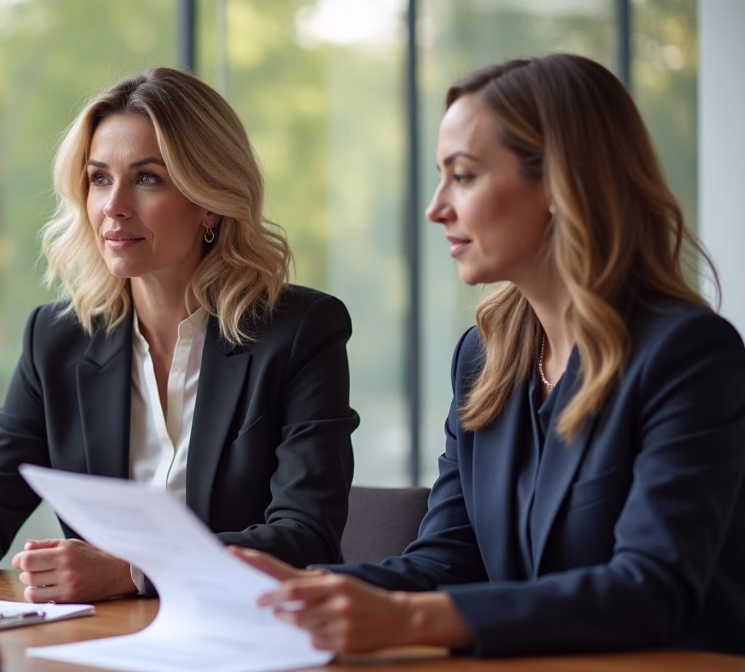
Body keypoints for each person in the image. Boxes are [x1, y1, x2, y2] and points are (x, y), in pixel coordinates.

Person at [234, 52, 745, 657]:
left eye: (464, 176)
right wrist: (293, 592)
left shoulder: (688, 355)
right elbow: (449, 559)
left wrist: (408, 619)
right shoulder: (484, 358)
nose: (436, 207)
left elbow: (650, 589)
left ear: (560, 185)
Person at [0, 67, 358, 604]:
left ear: (210, 201)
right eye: (99, 178)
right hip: (106, 637)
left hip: (248, 633)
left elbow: (304, 537)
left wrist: (135, 571)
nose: (113, 206)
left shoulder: (300, 332)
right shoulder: (57, 339)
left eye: (148, 179)